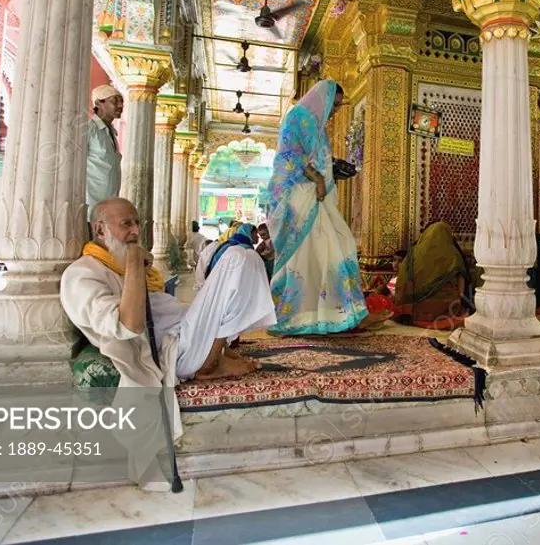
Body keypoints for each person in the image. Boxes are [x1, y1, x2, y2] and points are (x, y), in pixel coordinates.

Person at [59, 199, 276, 488]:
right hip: (174, 352)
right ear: (100, 229)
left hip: (185, 332)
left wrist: (134, 263)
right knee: (237, 258)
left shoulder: (122, 264)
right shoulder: (82, 274)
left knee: (246, 258)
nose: (136, 230)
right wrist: (135, 263)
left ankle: (214, 354)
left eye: (138, 223)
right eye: (127, 224)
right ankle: (210, 361)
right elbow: (128, 325)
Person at [266, 80, 370, 334]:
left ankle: (331, 313)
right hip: (302, 198)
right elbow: (289, 155)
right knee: (315, 254)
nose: (335, 111)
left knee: (332, 248)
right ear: (323, 98)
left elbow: (315, 156)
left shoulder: (318, 125)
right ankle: (303, 315)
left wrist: (334, 169)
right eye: (333, 105)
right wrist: (318, 178)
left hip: (316, 198)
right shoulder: (298, 117)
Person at [393, 222, 472, 329]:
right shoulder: (453, 254)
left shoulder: (414, 252)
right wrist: (460, 302)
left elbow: (404, 278)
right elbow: (461, 282)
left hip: (417, 311)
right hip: (447, 309)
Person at [87, 85, 123, 208]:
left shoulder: (112, 132)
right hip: (91, 204)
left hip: (109, 203)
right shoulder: (90, 129)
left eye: (121, 101)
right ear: (98, 103)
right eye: (115, 101)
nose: (120, 106)